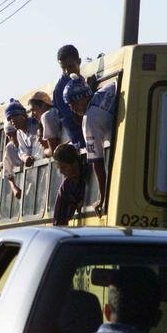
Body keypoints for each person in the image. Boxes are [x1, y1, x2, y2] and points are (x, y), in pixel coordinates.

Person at [63, 73, 116, 216]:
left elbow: (97, 162)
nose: (72, 108)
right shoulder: (109, 89)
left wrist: (102, 197)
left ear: (82, 98)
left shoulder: (89, 121)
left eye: (72, 103)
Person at [53, 45, 86, 150]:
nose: (67, 71)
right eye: (63, 68)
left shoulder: (81, 80)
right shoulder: (60, 90)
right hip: (81, 145)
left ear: (79, 61)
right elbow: (76, 118)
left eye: (70, 66)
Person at [52, 143, 87, 226]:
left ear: (74, 163)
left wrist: (85, 203)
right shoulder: (65, 188)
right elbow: (58, 219)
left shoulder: (90, 175)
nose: (61, 172)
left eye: (63, 167)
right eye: (59, 168)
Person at [5, 99, 40, 167]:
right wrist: (26, 158)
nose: (13, 121)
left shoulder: (35, 125)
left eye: (15, 116)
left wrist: (33, 158)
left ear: (23, 115)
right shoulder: (19, 133)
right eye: (10, 119)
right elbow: (21, 152)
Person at [28, 91, 61, 157]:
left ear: (44, 105)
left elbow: (54, 151)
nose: (32, 115)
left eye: (33, 110)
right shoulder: (56, 111)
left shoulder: (46, 116)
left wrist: (44, 152)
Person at [0, 121, 23, 199]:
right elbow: (7, 171)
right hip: (22, 181)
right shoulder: (9, 148)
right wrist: (14, 188)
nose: (12, 138)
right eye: (9, 136)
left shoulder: (25, 142)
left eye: (14, 134)